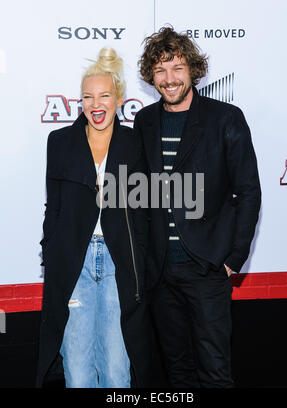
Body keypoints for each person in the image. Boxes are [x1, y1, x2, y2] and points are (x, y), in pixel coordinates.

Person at [135, 26, 261, 388]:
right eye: (160, 70)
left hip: (207, 267)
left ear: (192, 69)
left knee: (214, 371)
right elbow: (142, 194)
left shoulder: (226, 118)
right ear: (151, 76)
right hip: (160, 272)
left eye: (177, 68)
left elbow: (248, 192)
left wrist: (233, 258)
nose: (169, 79)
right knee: (178, 370)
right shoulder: (144, 121)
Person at [36, 47, 151, 388]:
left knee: (118, 368)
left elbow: (146, 210)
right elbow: (52, 207)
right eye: (88, 97)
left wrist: (142, 257)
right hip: (75, 262)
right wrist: (51, 249)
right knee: (78, 368)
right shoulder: (59, 142)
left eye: (104, 95)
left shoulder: (136, 143)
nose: (95, 105)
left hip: (121, 264)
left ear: (119, 98)